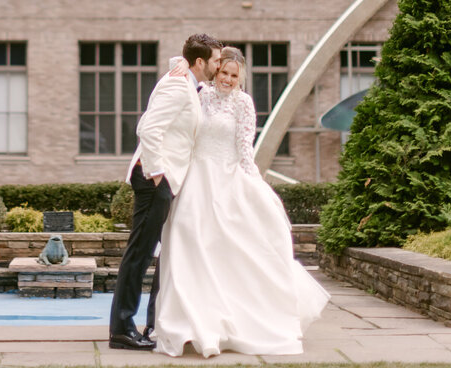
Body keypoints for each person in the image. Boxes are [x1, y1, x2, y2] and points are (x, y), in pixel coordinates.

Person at [152, 46, 330, 357]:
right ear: (216, 71)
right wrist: (179, 62)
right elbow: (181, 69)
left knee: (231, 250)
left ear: (240, 78)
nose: (228, 80)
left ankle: (230, 321)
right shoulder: (200, 92)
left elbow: (245, 148)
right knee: (185, 240)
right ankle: (189, 322)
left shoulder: (244, 104)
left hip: (227, 179)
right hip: (196, 180)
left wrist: (257, 186)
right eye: (224, 73)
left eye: (234, 76)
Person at [108, 33, 223, 351]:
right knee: (139, 255)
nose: (218, 65)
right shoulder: (177, 85)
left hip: (166, 181)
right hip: (154, 179)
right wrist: (157, 173)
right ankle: (121, 328)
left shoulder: (187, 81)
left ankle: (149, 324)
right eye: (215, 60)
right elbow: (148, 127)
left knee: (152, 254)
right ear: (200, 62)